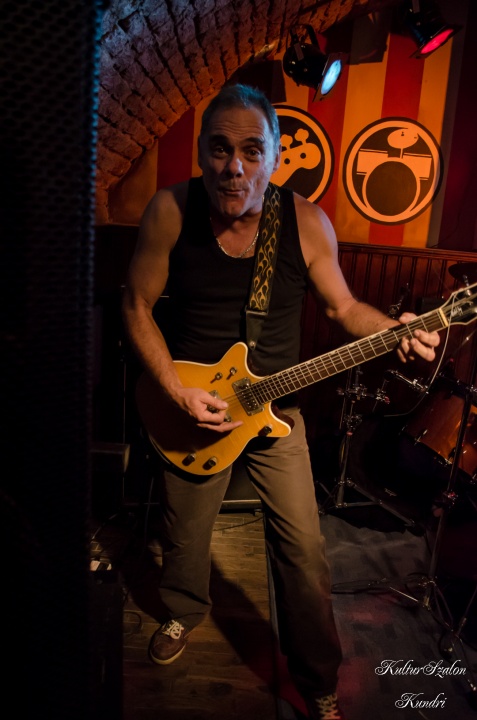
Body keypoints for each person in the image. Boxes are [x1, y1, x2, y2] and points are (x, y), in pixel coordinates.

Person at [121, 83, 440, 720]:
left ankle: (318, 682)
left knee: (304, 552)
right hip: (191, 403)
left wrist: (395, 331)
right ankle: (184, 612)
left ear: (274, 156)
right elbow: (136, 304)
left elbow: (343, 307)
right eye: (219, 149)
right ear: (203, 153)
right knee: (184, 535)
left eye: (251, 151)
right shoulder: (170, 210)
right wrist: (176, 392)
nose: (233, 168)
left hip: (275, 410)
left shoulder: (305, 222)